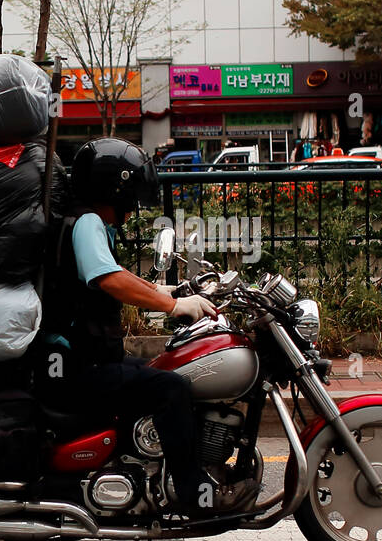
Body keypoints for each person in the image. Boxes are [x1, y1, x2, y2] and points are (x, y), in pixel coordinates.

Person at [44, 137, 245, 517]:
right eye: (131, 193)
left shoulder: (86, 220)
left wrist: (165, 289)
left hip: (82, 362)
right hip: (79, 370)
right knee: (171, 388)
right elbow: (109, 279)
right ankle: (191, 490)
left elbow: (111, 275)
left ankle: (149, 464)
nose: (134, 204)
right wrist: (172, 304)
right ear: (113, 188)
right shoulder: (87, 222)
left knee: (159, 370)